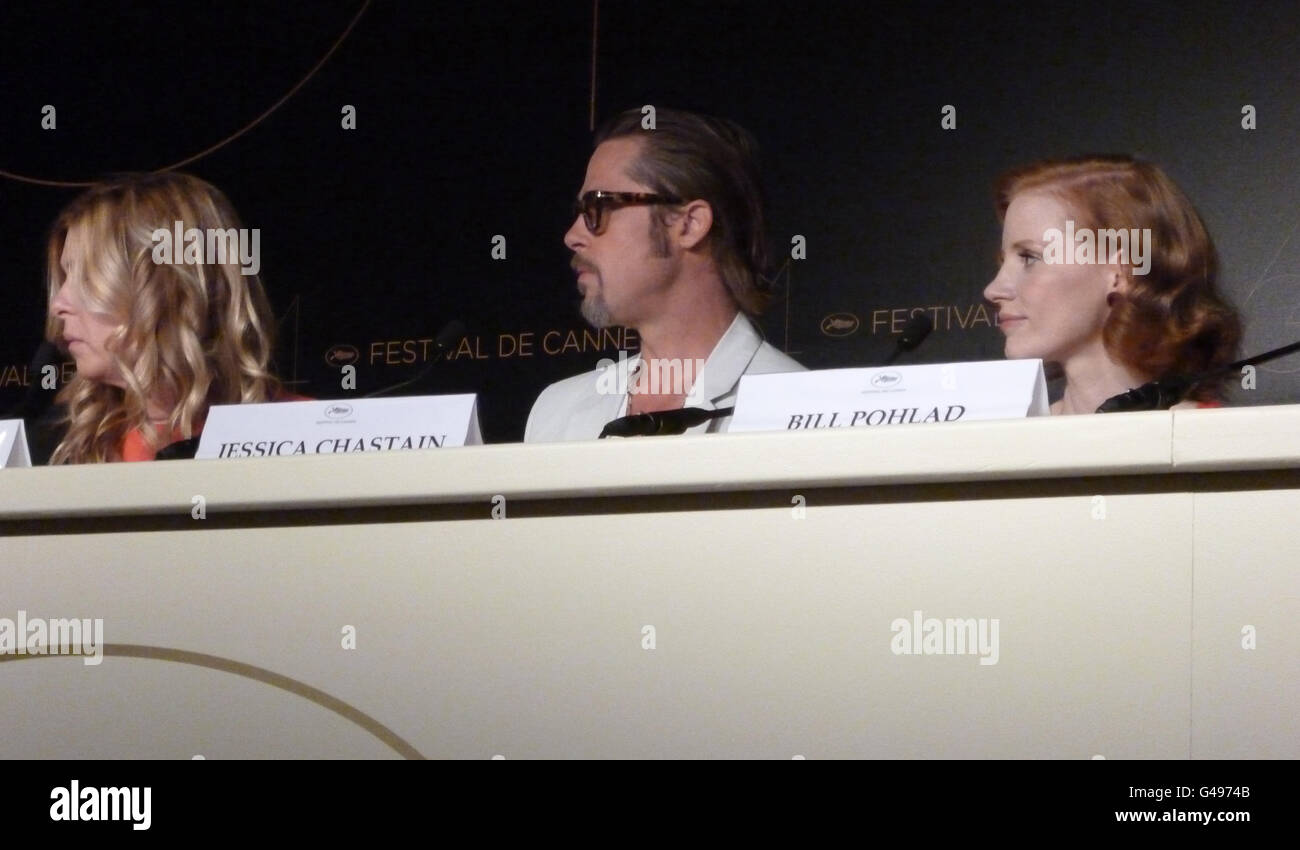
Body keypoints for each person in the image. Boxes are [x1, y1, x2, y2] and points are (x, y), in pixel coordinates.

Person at [525, 106, 804, 442]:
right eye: (579, 211)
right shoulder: (557, 412)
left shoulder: (796, 412)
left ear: (688, 224)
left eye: (598, 207)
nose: (572, 235)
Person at [44, 171, 301, 462]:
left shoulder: (308, 436)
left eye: (87, 277)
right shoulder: (67, 448)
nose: (58, 305)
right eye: (66, 276)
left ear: (169, 288)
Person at [983, 154, 1241, 414]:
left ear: (1123, 272)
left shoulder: (1215, 443)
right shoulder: (1004, 445)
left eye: (1029, 258)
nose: (993, 290)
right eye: (1003, 262)